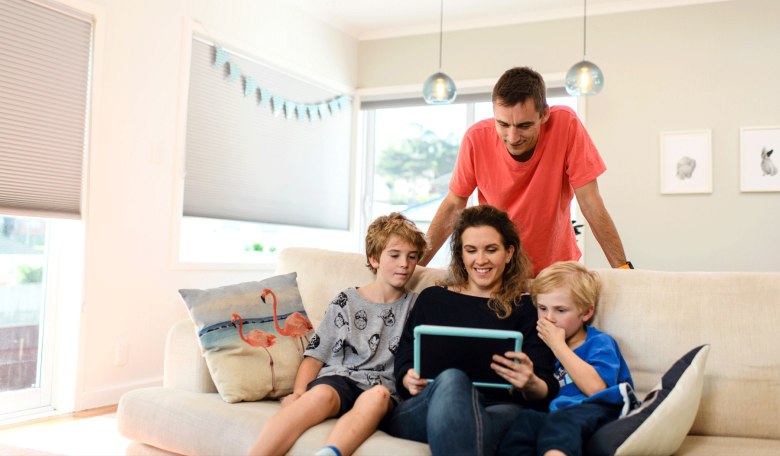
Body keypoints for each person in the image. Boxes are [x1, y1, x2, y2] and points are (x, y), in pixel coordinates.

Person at [420, 66, 631, 276]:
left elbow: (589, 200)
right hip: (500, 270)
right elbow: (453, 205)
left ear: (544, 114)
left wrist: (623, 270)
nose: (512, 137)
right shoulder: (475, 139)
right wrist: (418, 267)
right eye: (503, 124)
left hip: (556, 269)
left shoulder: (566, 124)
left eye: (524, 125)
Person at [248, 213, 427, 456]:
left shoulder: (417, 305)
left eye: (412, 257)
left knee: (378, 396)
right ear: (374, 259)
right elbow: (314, 356)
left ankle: (330, 452)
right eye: (394, 255)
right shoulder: (346, 301)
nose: (404, 263)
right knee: (320, 394)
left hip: (383, 388)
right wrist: (299, 393)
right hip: (339, 379)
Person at [387, 205, 559, 456]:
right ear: (461, 254)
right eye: (471, 250)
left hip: (500, 409)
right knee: (454, 380)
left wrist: (531, 382)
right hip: (430, 405)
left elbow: (547, 385)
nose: (481, 260)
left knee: (501, 420)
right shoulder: (433, 299)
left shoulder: (528, 308)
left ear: (509, 253)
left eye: (491, 250)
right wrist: (408, 378)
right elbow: (404, 359)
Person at [497, 261, 635, 456]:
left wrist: (558, 345)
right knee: (525, 421)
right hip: (557, 414)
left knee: (561, 421)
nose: (549, 318)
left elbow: (596, 388)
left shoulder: (598, 342)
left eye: (560, 310)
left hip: (600, 410)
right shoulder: (541, 349)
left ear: (586, 312)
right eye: (542, 308)